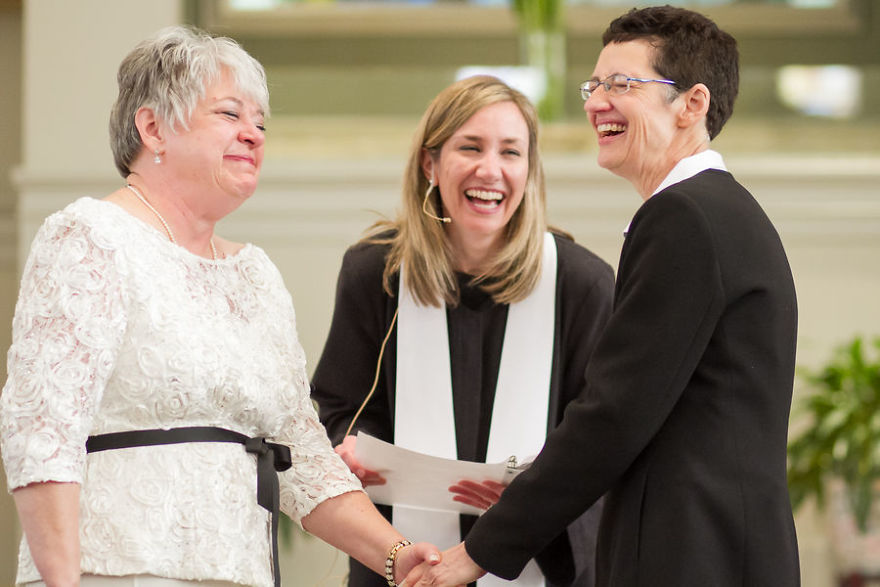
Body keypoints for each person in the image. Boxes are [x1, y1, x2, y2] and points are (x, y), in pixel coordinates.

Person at [0, 26, 440, 587]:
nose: (254, 135)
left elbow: (303, 458)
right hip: (112, 571)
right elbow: (41, 431)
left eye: (260, 122)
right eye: (230, 115)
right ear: (153, 127)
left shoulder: (255, 274)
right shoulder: (90, 236)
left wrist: (394, 553)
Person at [408, 6, 800, 587]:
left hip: (695, 554)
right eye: (595, 84)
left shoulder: (685, 218)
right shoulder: (716, 211)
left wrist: (478, 552)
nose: (595, 102)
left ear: (692, 104)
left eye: (622, 85)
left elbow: (613, 415)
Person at [310, 74, 614, 587]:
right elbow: (342, 409)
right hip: (404, 558)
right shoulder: (376, 273)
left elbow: (602, 436)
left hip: (541, 561)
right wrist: (353, 450)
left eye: (511, 152)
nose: (489, 169)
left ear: (530, 170)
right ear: (430, 163)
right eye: (469, 147)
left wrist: (536, 486)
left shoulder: (581, 283)